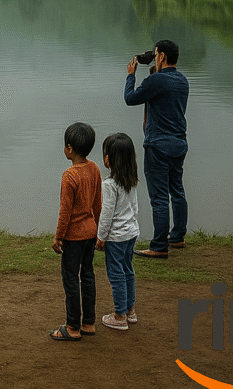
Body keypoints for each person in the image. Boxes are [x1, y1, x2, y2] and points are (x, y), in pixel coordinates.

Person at [124, 39, 189, 258]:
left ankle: (159, 246)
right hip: (179, 144)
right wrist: (153, 75)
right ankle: (178, 236)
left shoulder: (157, 81)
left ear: (161, 56)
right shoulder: (182, 81)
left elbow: (130, 98)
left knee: (159, 197)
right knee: (177, 191)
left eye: (156, 54)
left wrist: (131, 74)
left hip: (158, 146)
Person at [49, 122, 103, 341]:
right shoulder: (95, 169)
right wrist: (100, 230)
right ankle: (88, 322)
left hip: (73, 236)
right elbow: (98, 204)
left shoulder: (69, 176)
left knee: (71, 279)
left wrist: (58, 236)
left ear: (69, 148)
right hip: (91, 232)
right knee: (87, 275)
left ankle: (72, 327)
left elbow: (65, 212)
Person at [96, 133, 141, 330]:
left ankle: (120, 315)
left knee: (116, 275)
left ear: (109, 159)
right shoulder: (130, 180)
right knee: (127, 271)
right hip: (131, 233)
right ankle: (130, 311)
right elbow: (135, 207)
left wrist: (100, 237)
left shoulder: (109, 185)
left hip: (116, 237)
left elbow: (106, 215)